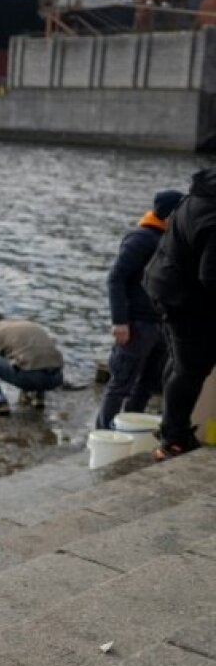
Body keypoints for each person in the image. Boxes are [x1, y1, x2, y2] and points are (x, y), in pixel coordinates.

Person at [142, 167, 216, 460]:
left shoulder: (200, 194)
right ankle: (173, 440)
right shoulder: (214, 217)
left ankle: (171, 428)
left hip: (163, 282)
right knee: (191, 368)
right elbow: (211, 277)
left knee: (179, 360)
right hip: (183, 297)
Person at [95, 189, 184, 429]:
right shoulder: (141, 238)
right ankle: (103, 431)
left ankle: (128, 428)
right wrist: (120, 321)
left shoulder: (172, 241)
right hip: (137, 324)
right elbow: (116, 278)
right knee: (121, 383)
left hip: (161, 324)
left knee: (149, 384)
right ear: (171, 215)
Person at [0, 315, 65, 416]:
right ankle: (38, 398)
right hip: (56, 378)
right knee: (31, 359)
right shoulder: (28, 325)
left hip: (33, 378)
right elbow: (38, 358)